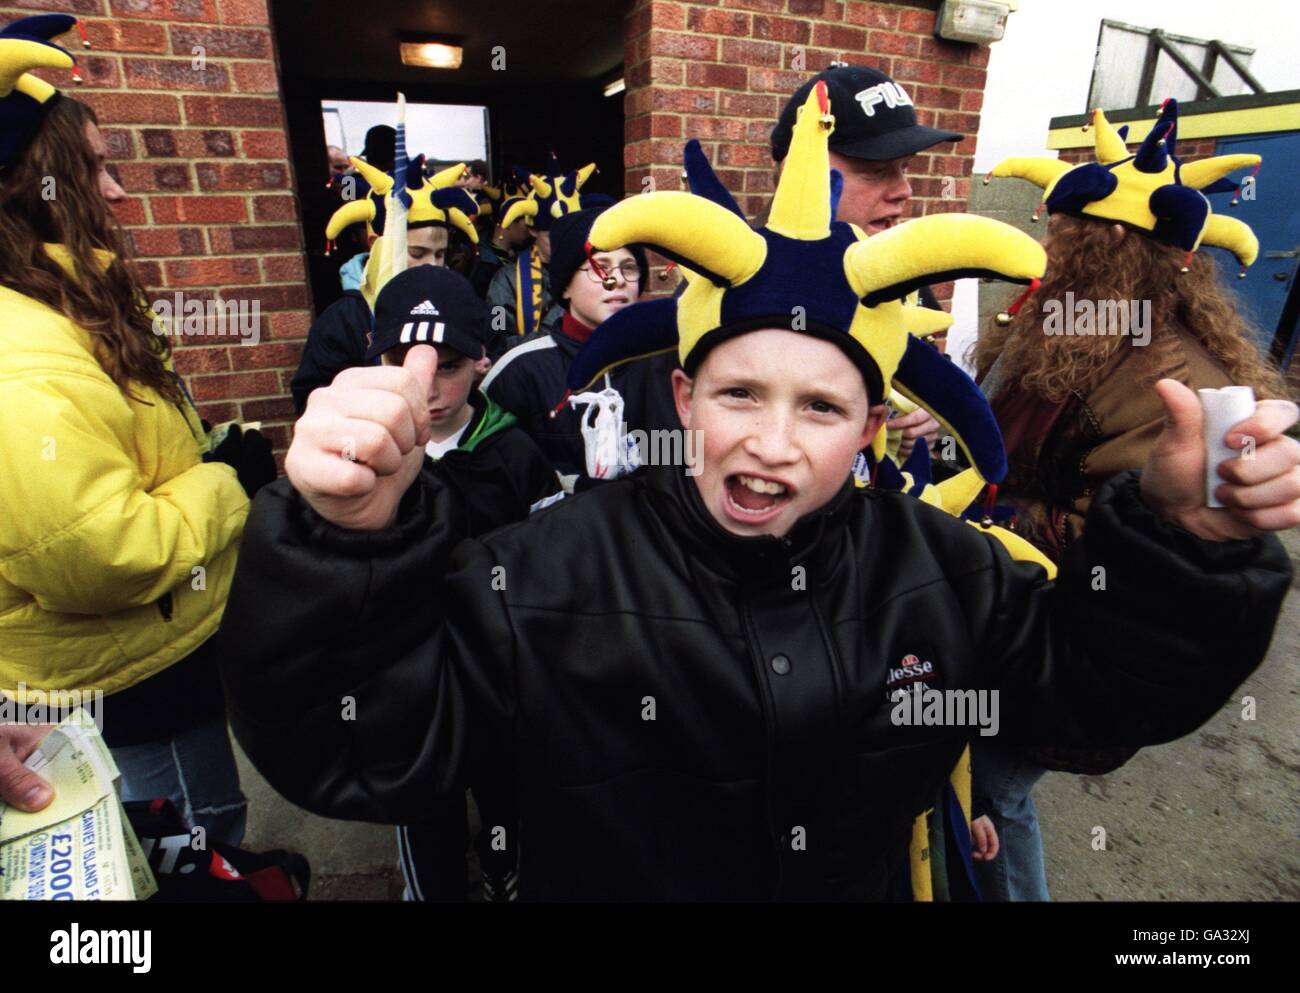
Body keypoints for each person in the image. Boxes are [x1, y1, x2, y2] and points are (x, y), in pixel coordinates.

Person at [218, 85, 1298, 900]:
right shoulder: (539, 577)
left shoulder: (941, 572)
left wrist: (1184, 546)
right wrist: (338, 541)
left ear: (872, 426)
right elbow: (356, 752)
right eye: (740, 392)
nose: (772, 444)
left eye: (821, 409)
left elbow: (1101, 694)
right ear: (683, 396)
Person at [967, 101, 1289, 902]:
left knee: (994, 794)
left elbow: (1129, 541)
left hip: (1062, 629)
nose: (1048, 246)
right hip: (1007, 611)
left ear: (1109, 246)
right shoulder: (1067, 327)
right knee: (986, 790)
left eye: (1064, 235)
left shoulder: (1172, 381)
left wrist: (979, 523)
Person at [0, 14, 273, 846]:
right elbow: (101, 553)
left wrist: (207, 450)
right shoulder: (22, 359)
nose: (119, 193)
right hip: (120, 692)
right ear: (32, 189)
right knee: (191, 843)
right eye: (97, 171)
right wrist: (229, 481)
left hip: (144, 666)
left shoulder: (68, 300)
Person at [363, 265, 559, 902]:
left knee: (509, 793)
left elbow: (549, 567)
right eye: (406, 361)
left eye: (449, 364)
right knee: (425, 809)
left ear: (480, 360)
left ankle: (507, 871)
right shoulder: (363, 458)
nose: (431, 384)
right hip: (411, 682)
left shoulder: (515, 452)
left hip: (499, 677)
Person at [771, 63, 962, 460]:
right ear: (800, 171)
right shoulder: (729, 287)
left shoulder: (908, 286)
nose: (904, 190)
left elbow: (942, 424)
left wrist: (929, 425)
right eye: (876, 171)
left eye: (904, 168)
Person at [480, 205, 677, 488]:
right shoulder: (520, 372)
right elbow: (502, 481)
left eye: (629, 267)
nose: (618, 280)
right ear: (565, 287)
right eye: (600, 268)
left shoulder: (666, 363)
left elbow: (679, 468)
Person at [291, 156, 478, 414]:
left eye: (439, 254)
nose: (431, 266)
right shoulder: (343, 321)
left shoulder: (459, 303)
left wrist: (473, 372)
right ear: (374, 243)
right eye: (416, 252)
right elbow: (311, 399)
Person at [485, 155, 599, 339]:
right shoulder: (505, 280)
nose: (564, 242)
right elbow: (496, 337)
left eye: (570, 234)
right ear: (532, 230)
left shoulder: (595, 274)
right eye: (553, 235)